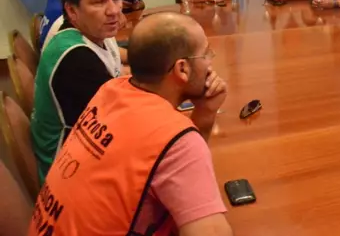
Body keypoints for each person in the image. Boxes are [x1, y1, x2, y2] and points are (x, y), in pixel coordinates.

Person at [28, 13, 232, 236]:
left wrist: (205, 113)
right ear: (182, 69)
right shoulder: (175, 139)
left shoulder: (110, 90)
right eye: (206, 54)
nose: (210, 63)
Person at [31, 0, 124, 183]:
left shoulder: (92, 33)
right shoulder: (75, 57)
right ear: (72, 11)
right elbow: (123, 121)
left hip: (82, 155)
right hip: (67, 175)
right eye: (99, 1)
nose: (113, 10)